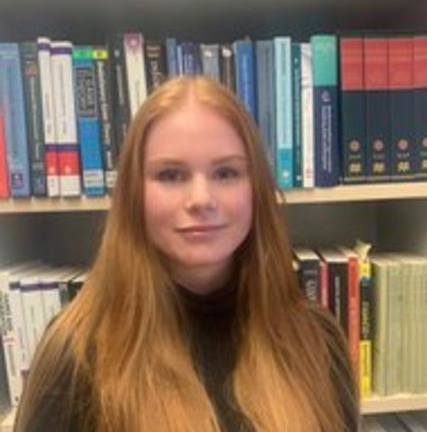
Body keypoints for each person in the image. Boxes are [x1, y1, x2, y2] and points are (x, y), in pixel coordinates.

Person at [14, 77, 359, 432]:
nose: (201, 199)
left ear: (255, 188)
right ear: (134, 194)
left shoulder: (316, 341)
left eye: (226, 173)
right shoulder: (75, 353)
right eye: (171, 175)